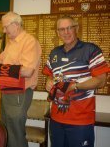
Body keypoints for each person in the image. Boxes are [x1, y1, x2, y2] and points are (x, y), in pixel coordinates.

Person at [42, 15, 110, 147]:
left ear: (76, 28)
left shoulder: (91, 50)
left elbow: (101, 81)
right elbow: (49, 75)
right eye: (62, 29)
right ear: (57, 32)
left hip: (81, 121)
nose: (66, 32)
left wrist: (75, 86)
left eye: (69, 28)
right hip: (56, 118)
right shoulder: (54, 53)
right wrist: (48, 82)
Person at [0, 11, 42, 147]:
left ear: (15, 25)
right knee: (7, 131)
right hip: (7, 91)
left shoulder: (29, 41)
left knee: (15, 132)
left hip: (20, 93)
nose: (4, 31)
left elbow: (27, 71)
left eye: (5, 27)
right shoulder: (11, 43)